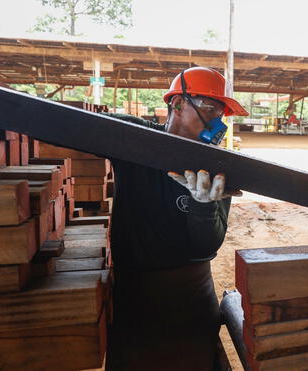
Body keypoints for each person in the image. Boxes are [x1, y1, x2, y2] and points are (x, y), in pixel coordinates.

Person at [104, 66, 248, 371]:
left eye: (221, 113)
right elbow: (66, 126)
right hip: (135, 300)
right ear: (178, 104)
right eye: (210, 109)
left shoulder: (216, 166)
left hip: (191, 300)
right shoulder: (133, 138)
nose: (217, 122)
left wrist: (203, 206)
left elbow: (207, 245)